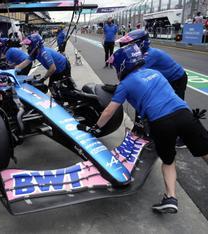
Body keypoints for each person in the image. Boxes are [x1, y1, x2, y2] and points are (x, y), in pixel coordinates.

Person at [78, 44, 208, 214]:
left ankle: (171, 197)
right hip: (185, 115)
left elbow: (109, 110)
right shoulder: (155, 73)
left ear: (122, 65)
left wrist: (95, 128)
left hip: (161, 123)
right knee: (205, 150)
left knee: (168, 161)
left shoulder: (125, 84)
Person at [117, 29, 189, 147]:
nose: (125, 47)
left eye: (129, 44)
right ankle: (141, 130)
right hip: (166, 79)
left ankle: (184, 138)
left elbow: (133, 75)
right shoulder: (141, 54)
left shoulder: (149, 55)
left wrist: (118, 88)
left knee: (177, 109)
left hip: (177, 79)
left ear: (139, 43)